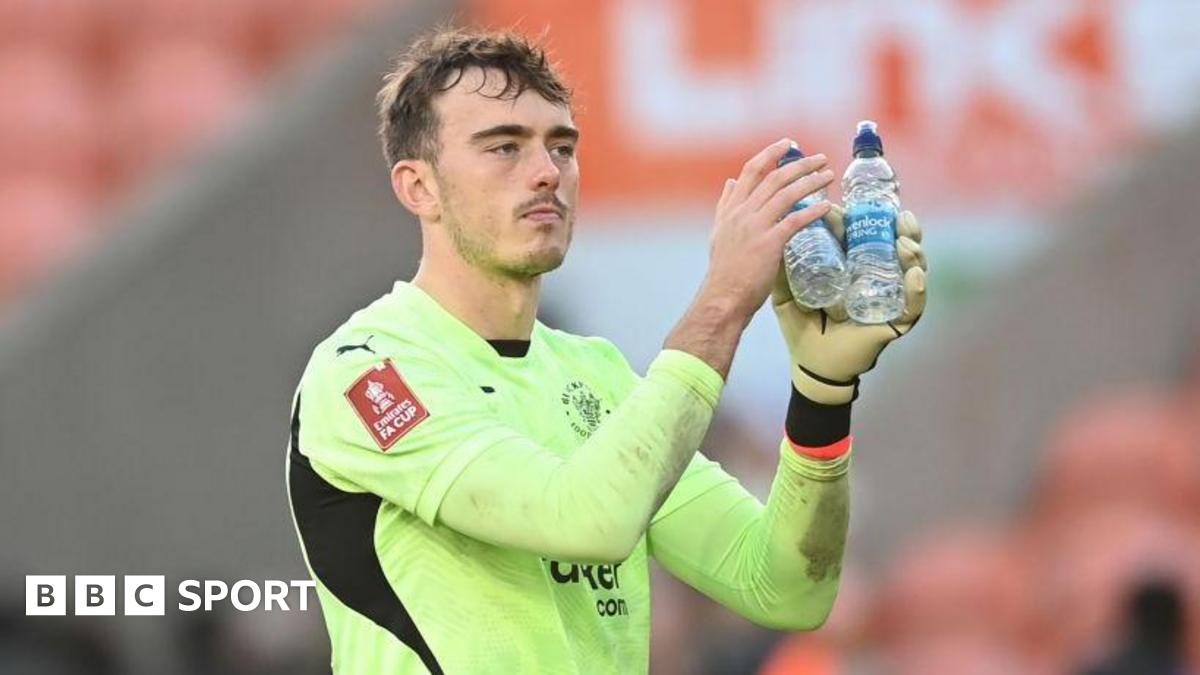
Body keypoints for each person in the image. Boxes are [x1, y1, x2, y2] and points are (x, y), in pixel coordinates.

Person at [286, 27, 927, 674]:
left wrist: (821, 393)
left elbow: (785, 586)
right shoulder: (369, 369)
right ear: (418, 187)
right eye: (504, 146)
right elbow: (584, 521)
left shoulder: (597, 373)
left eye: (561, 146)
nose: (546, 173)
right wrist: (725, 299)